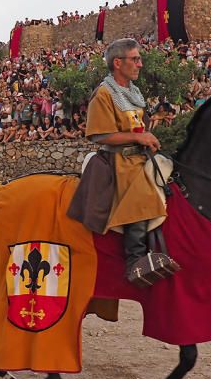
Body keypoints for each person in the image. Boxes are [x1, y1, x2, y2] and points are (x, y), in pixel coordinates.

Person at [67, 38, 164, 280]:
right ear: (118, 63)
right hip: (119, 162)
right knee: (141, 196)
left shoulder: (134, 93)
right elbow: (100, 134)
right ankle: (135, 261)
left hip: (139, 157)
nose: (140, 64)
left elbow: (138, 126)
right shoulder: (103, 94)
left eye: (139, 59)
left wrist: (146, 138)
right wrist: (138, 138)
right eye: (135, 59)